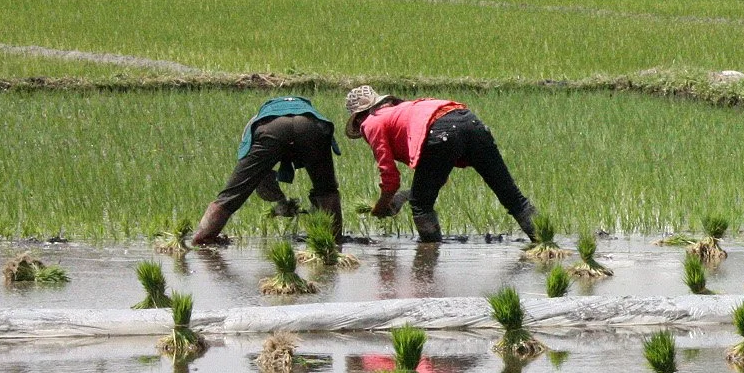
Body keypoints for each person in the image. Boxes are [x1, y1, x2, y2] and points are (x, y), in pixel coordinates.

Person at [345, 85, 541, 244]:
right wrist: (401, 198)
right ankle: (544, 242)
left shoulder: (371, 123)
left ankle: (428, 257)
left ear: (360, 116)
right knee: (512, 196)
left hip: (441, 131)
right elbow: (436, 176)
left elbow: (390, 177)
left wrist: (381, 206)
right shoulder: (406, 113)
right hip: (471, 123)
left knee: (421, 205)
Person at [188, 96, 343, 245]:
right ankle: (333, 239)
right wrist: (282, 201)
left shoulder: (258, 122)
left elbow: (259, 176)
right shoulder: (311, 113)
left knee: (232, 194)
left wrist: (276, 198)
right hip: (312, 127)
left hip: (272, 129)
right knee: (326, 190)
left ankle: (203, 238)